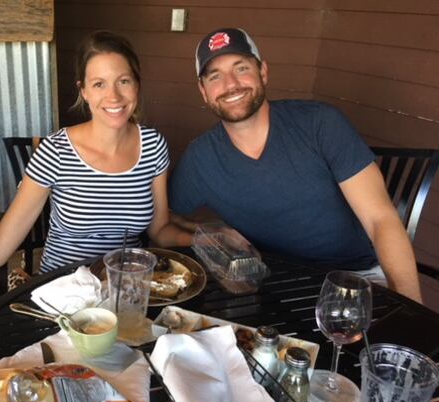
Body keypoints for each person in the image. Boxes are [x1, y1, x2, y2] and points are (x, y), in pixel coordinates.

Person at [169, 27, 421, 301]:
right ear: (203, 91)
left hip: (355, 277)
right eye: (215, 76)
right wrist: (213, 235)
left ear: (263, 72)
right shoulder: (201, 157)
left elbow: (380, 219)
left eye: (241, 68)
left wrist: (410, 306)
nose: (230, 84)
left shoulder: (319, 124)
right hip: (270, 284)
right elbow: (166, 218)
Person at [0, 30, 192, 286]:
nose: (114, 96)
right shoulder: (55, 152)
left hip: (124, 290)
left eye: (123, 81)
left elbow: (159, 230)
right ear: (84, 90)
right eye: (99, 84)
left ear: (137, 84)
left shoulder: (153, 146)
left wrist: (206, 239)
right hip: (62, 293)